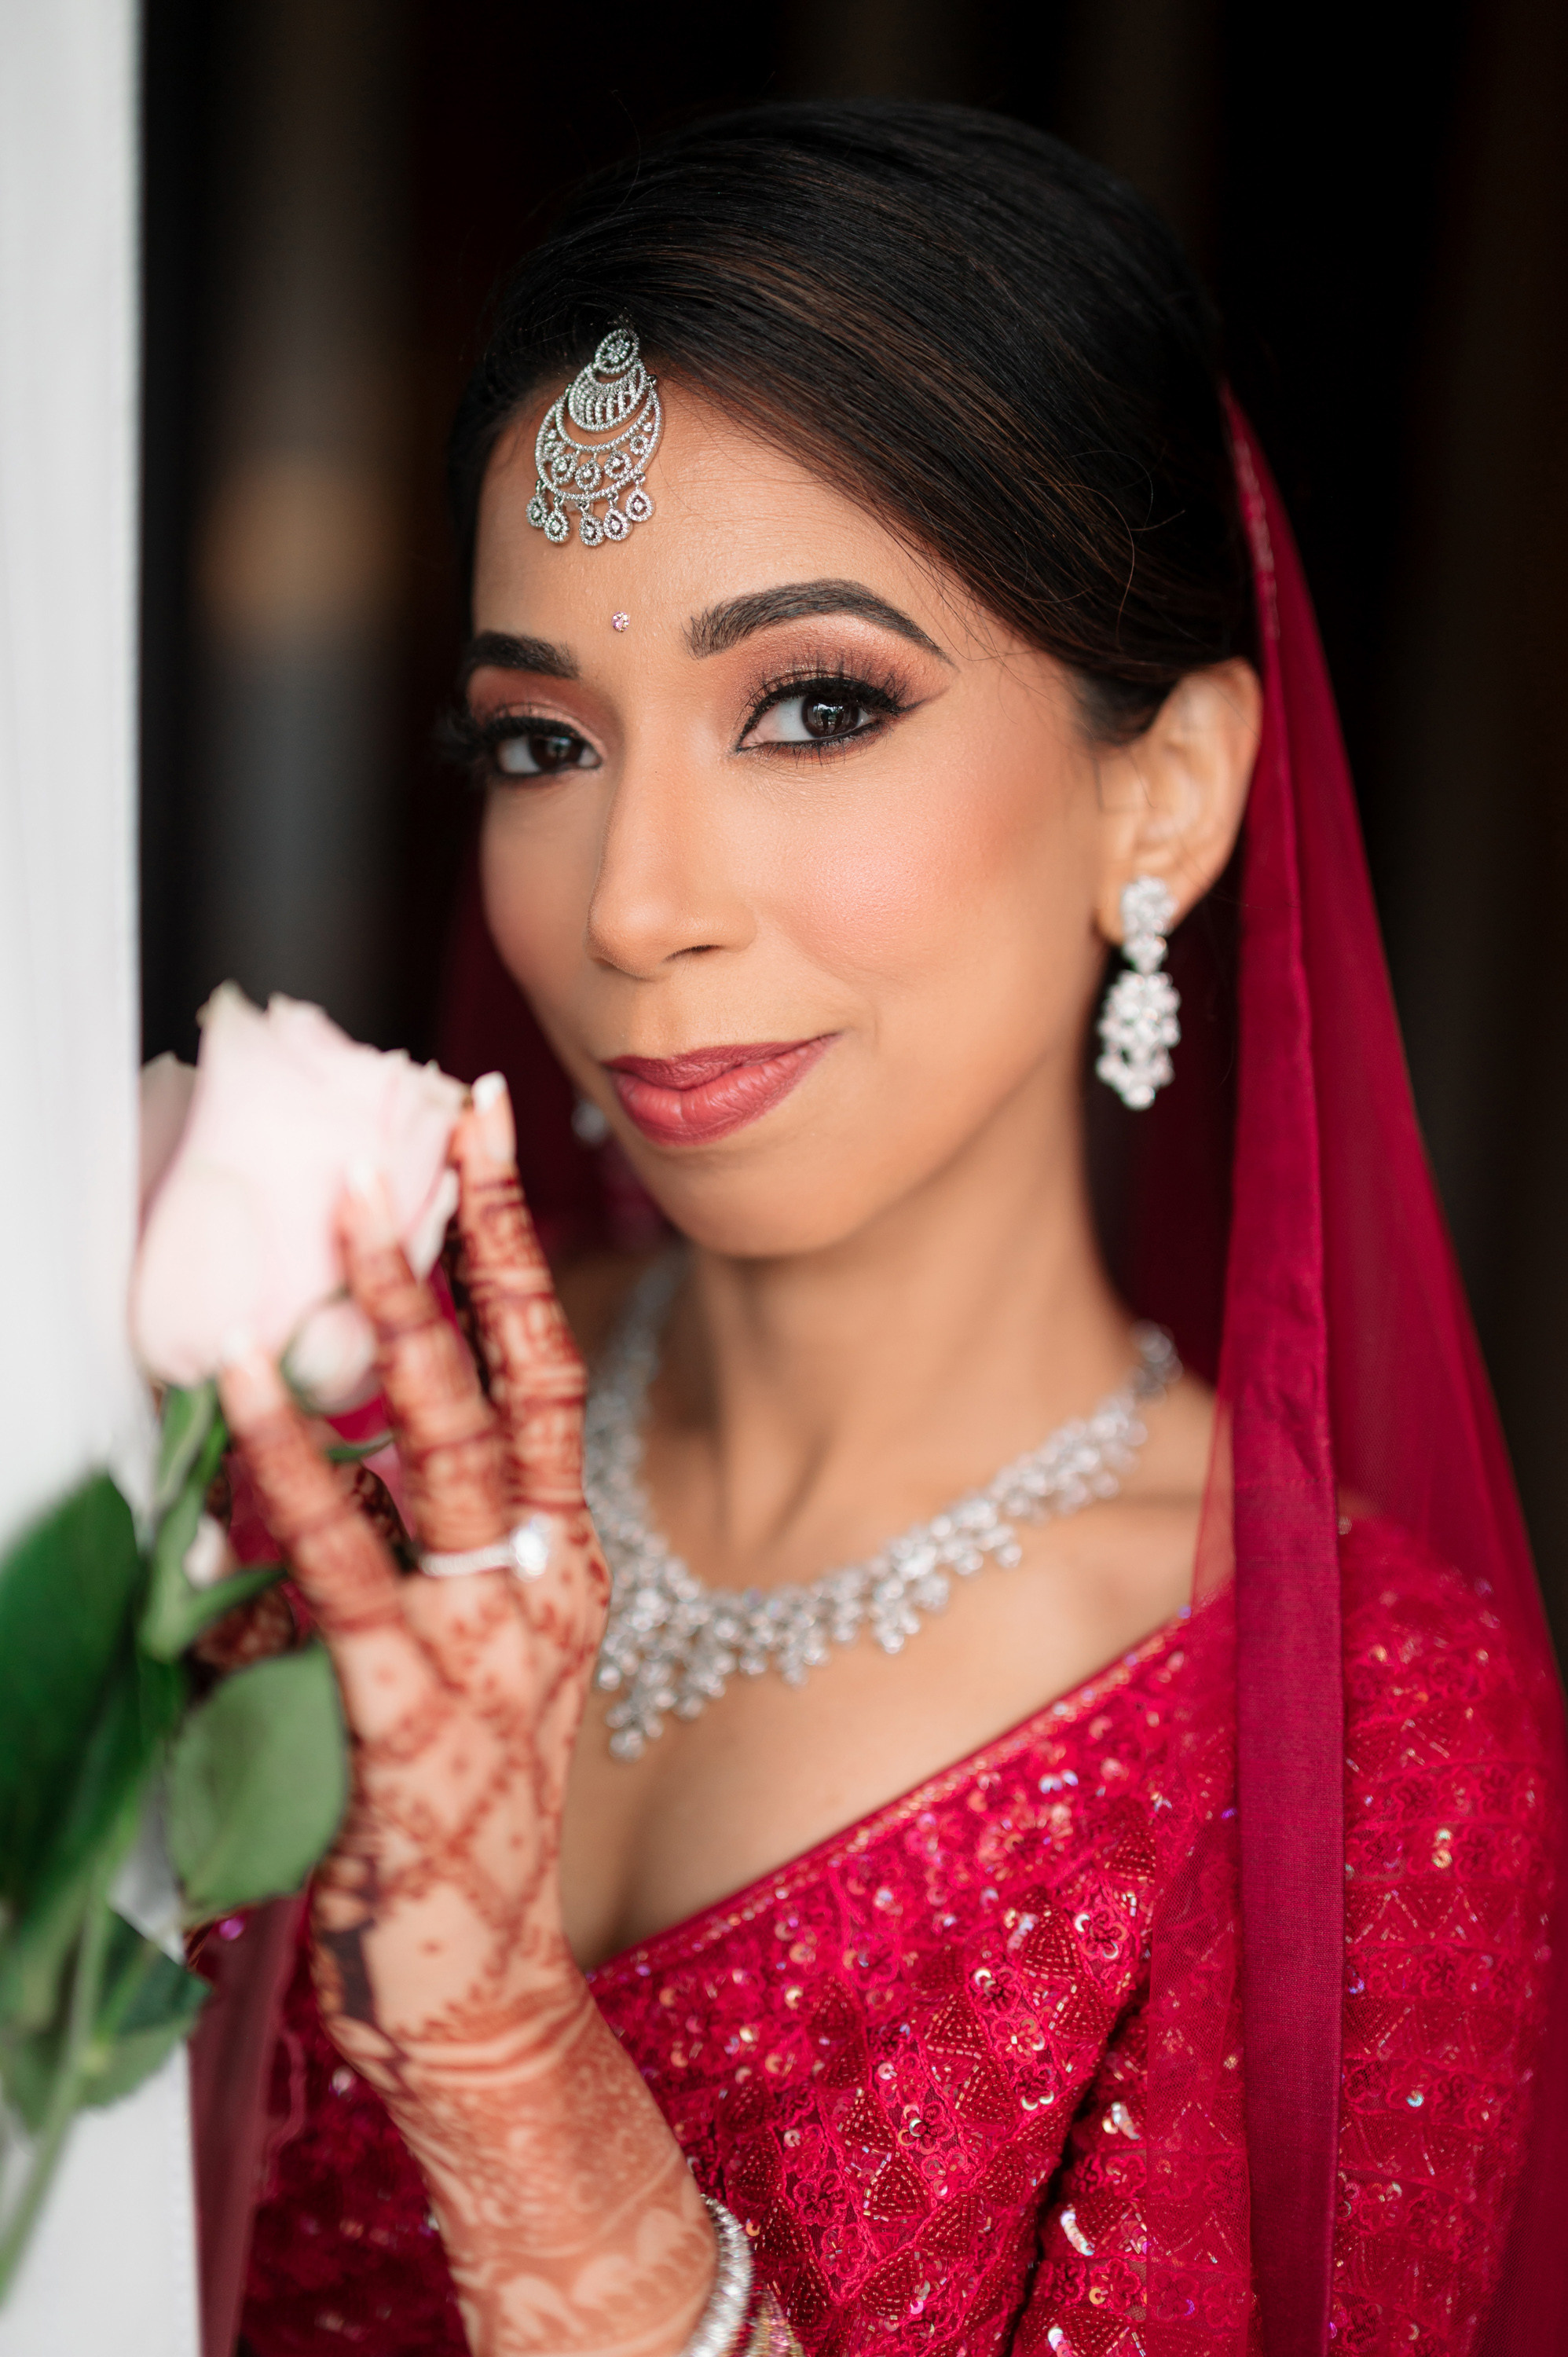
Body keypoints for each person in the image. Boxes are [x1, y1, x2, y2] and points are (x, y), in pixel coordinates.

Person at [196, 102, 1566, 2357]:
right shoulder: (331, 1454)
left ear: (1167, 791)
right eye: (541, 743)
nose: (634, 907)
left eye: (813, 707)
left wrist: (514, 2083)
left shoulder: (1347, 1743)